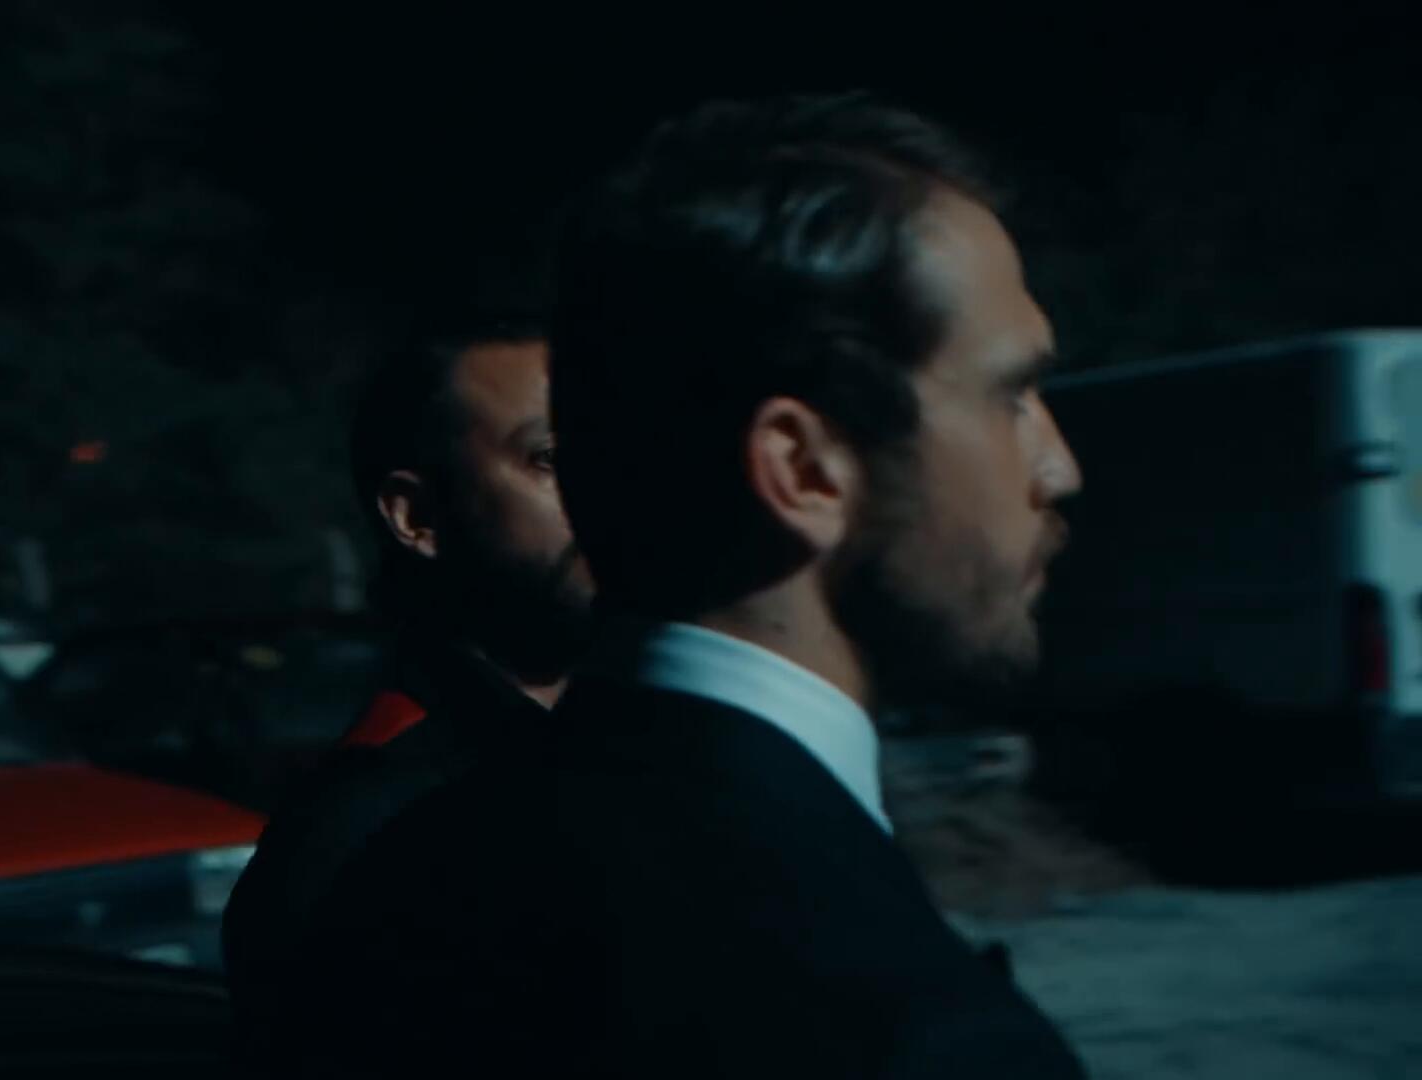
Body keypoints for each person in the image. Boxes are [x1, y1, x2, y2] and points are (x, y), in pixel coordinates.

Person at [283, 95, 1089, 1078]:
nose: (1058, 467)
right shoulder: (913, 1033)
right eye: (1011, 394)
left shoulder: (396, 886)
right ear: (804, 469)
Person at [222, 314, 597, 1047]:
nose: (610, 495)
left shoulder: (646, 740)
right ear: (417, 517)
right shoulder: (366, 833)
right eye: (552, 458)